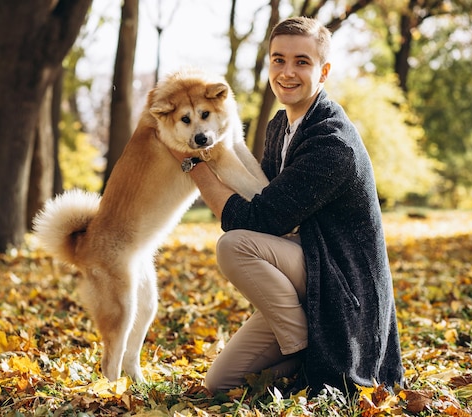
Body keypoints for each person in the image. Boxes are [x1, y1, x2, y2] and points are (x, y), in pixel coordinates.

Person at [173, 16, 404, 395]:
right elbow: (261, 196)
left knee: (234, 245)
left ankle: (306, 346)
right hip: (308, 267)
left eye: (302, 62)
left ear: (324, 71)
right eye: (278, 59)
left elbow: (255, 219)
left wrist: (192, 164)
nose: (287, 72)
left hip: (342, 288)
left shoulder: (332, 142)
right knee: (222, 383)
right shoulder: (280, 125)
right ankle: (301, 343)